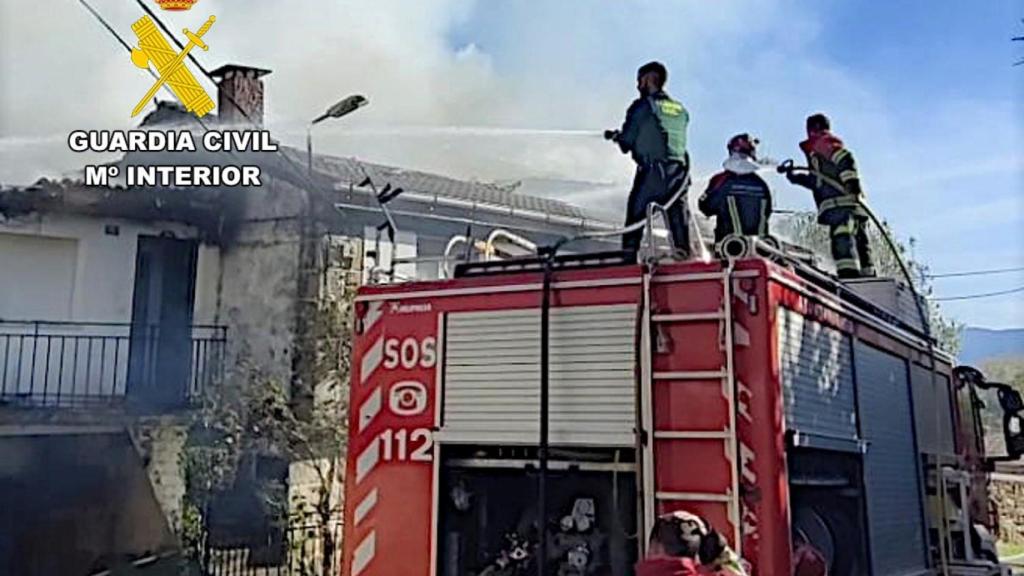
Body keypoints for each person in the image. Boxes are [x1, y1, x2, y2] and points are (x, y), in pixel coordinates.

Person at [605, 61, 691, 257]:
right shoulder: (680, 110)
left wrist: (617, 137)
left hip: (653, 173)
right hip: (680, 176)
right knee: (679, 224)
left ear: (648, 79)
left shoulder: (642, 107)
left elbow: (627, 142)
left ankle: (627, 260)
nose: (638, 86)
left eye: (639, 81)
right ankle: (685, 258)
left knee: (635, 218)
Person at [783, 113, 875, 279]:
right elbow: (818, 181)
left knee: (842, 238)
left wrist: (851, 182)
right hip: (850, 206)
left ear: (814, 128)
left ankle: (849, 274)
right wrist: (796, 178)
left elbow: (845, 158)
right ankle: (868, 274)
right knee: (860, 242)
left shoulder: (823, 142)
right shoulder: (817, 152)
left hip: (841, 205)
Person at [698, 133, 772, 244]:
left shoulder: (722, 181)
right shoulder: (762, 185)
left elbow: (706, 207)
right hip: (761, 248)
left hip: (729, 250)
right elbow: (767, 212)